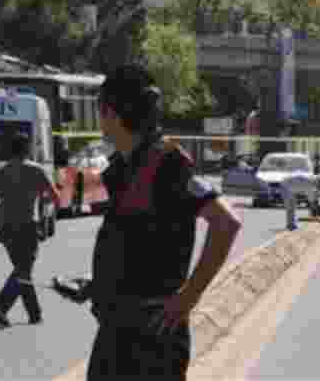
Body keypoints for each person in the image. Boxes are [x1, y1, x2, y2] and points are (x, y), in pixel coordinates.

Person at [86, 65, 242, 380]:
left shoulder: (167, 163)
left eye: (100, 110)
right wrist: (96, 283)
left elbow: (226, 223)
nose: (99, 120)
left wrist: (188, 297)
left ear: (111, 113)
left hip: (152, 336)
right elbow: (139, 243)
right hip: (116, 330)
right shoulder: (122, 167)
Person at [0, 132, 61, 326]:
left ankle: (35, 314)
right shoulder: (36, 171)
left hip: (5, 227)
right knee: (23, 270)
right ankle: (1, 304)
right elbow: (55, 198)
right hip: (27, 225)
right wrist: (43, 205)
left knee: (22, 270)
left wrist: (3, 204)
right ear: (27, 149)